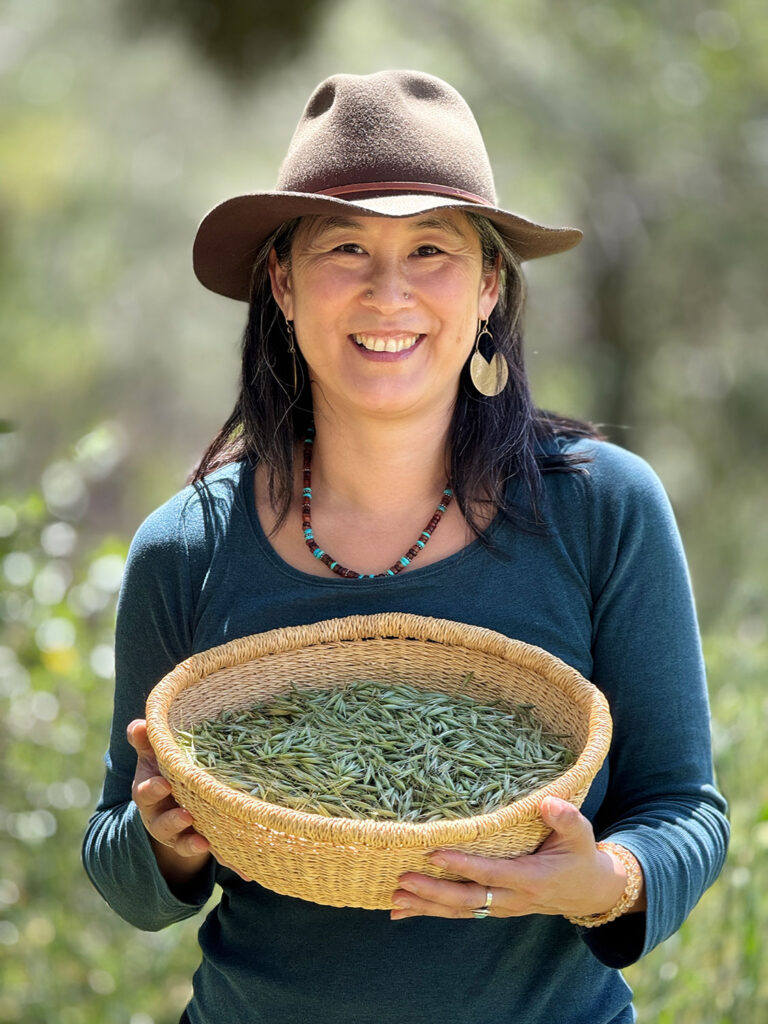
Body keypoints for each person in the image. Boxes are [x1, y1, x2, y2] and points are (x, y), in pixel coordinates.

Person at [82, 70, 729, 1024]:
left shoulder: (600, 508)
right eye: (346, 247)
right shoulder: (187, 545)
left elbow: (684, 809)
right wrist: (167, 843)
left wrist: (602, 881)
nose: (389, 292)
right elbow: (121, 865)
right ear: (283, 284)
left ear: (488, 287)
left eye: (430, 248)